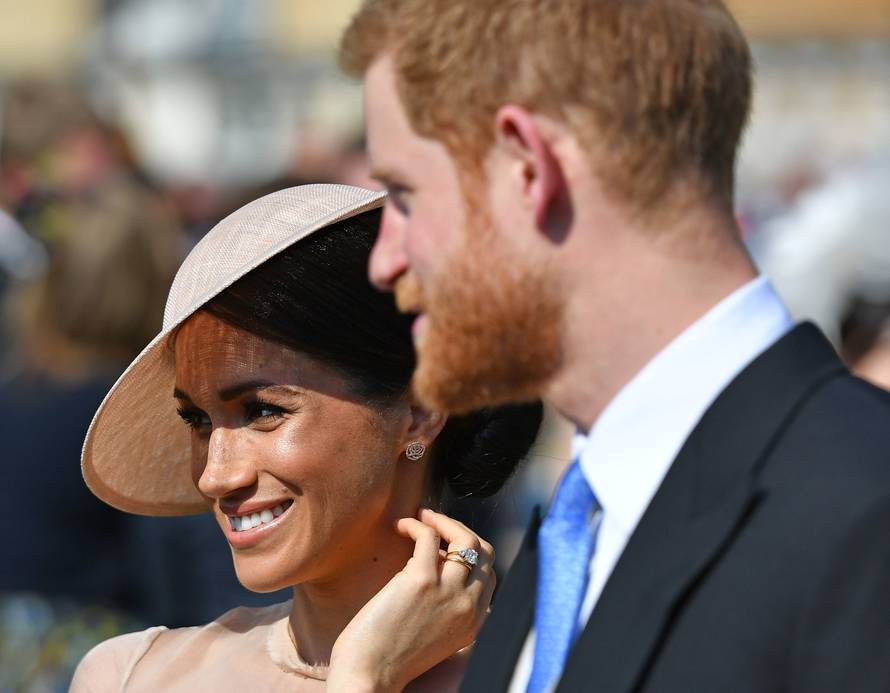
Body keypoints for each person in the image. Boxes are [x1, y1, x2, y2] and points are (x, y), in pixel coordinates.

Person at [339, 1, 890, 692]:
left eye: (403, 196)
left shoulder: (861, 512)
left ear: (528, 168)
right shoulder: (585, 520)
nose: (383, 261)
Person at [70, 184, 543, 692]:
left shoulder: (543, 677)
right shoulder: (129, 676)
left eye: (264, 411)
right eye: (199, 422)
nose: (215, 475)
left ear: (420, 411)